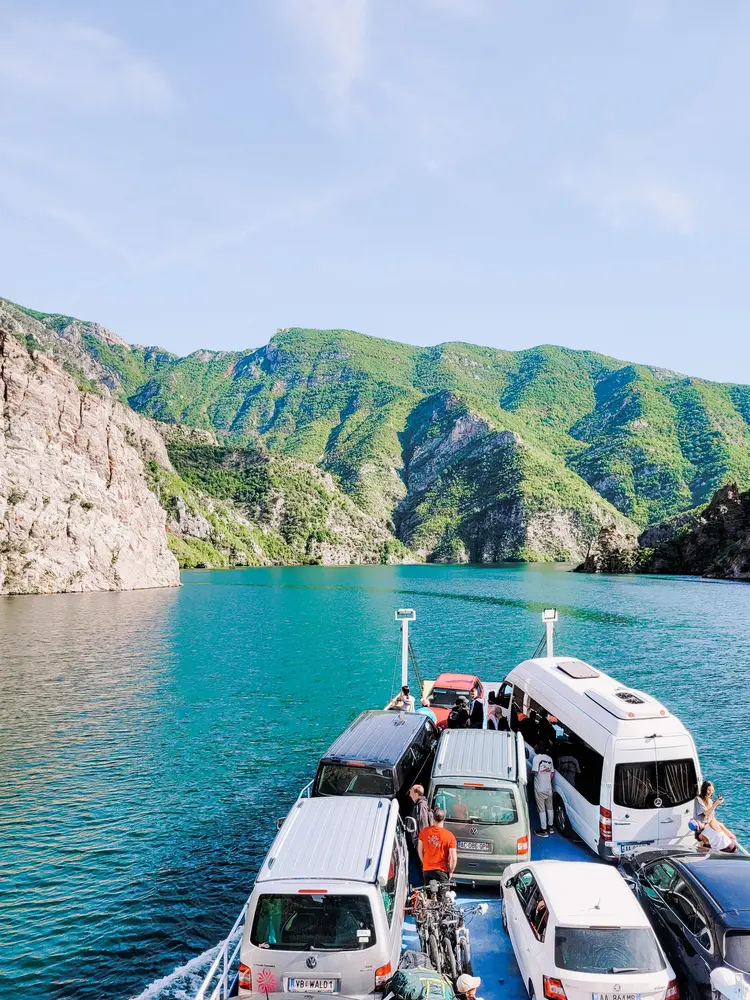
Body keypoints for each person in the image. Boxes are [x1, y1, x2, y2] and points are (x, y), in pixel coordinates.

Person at [418, 806, 457, 884]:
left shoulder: (423, 832)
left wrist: (424, 863)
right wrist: (451, 871)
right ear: (444, 818)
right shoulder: (450, 836)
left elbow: (420, 850)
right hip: (442, 871)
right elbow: (453, 858)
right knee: (443, 895)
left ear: (433, 818)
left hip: (427, 870)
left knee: (428, 894)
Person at [531, 743, 556, 837]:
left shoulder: (536, 758)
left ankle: (543, 830)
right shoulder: (550, 759)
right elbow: (552, 774)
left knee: (541, 809)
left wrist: (531, 773)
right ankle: (551, 827)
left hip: (539, 788)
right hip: (548, 787)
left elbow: (534, 771)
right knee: (550, 808)